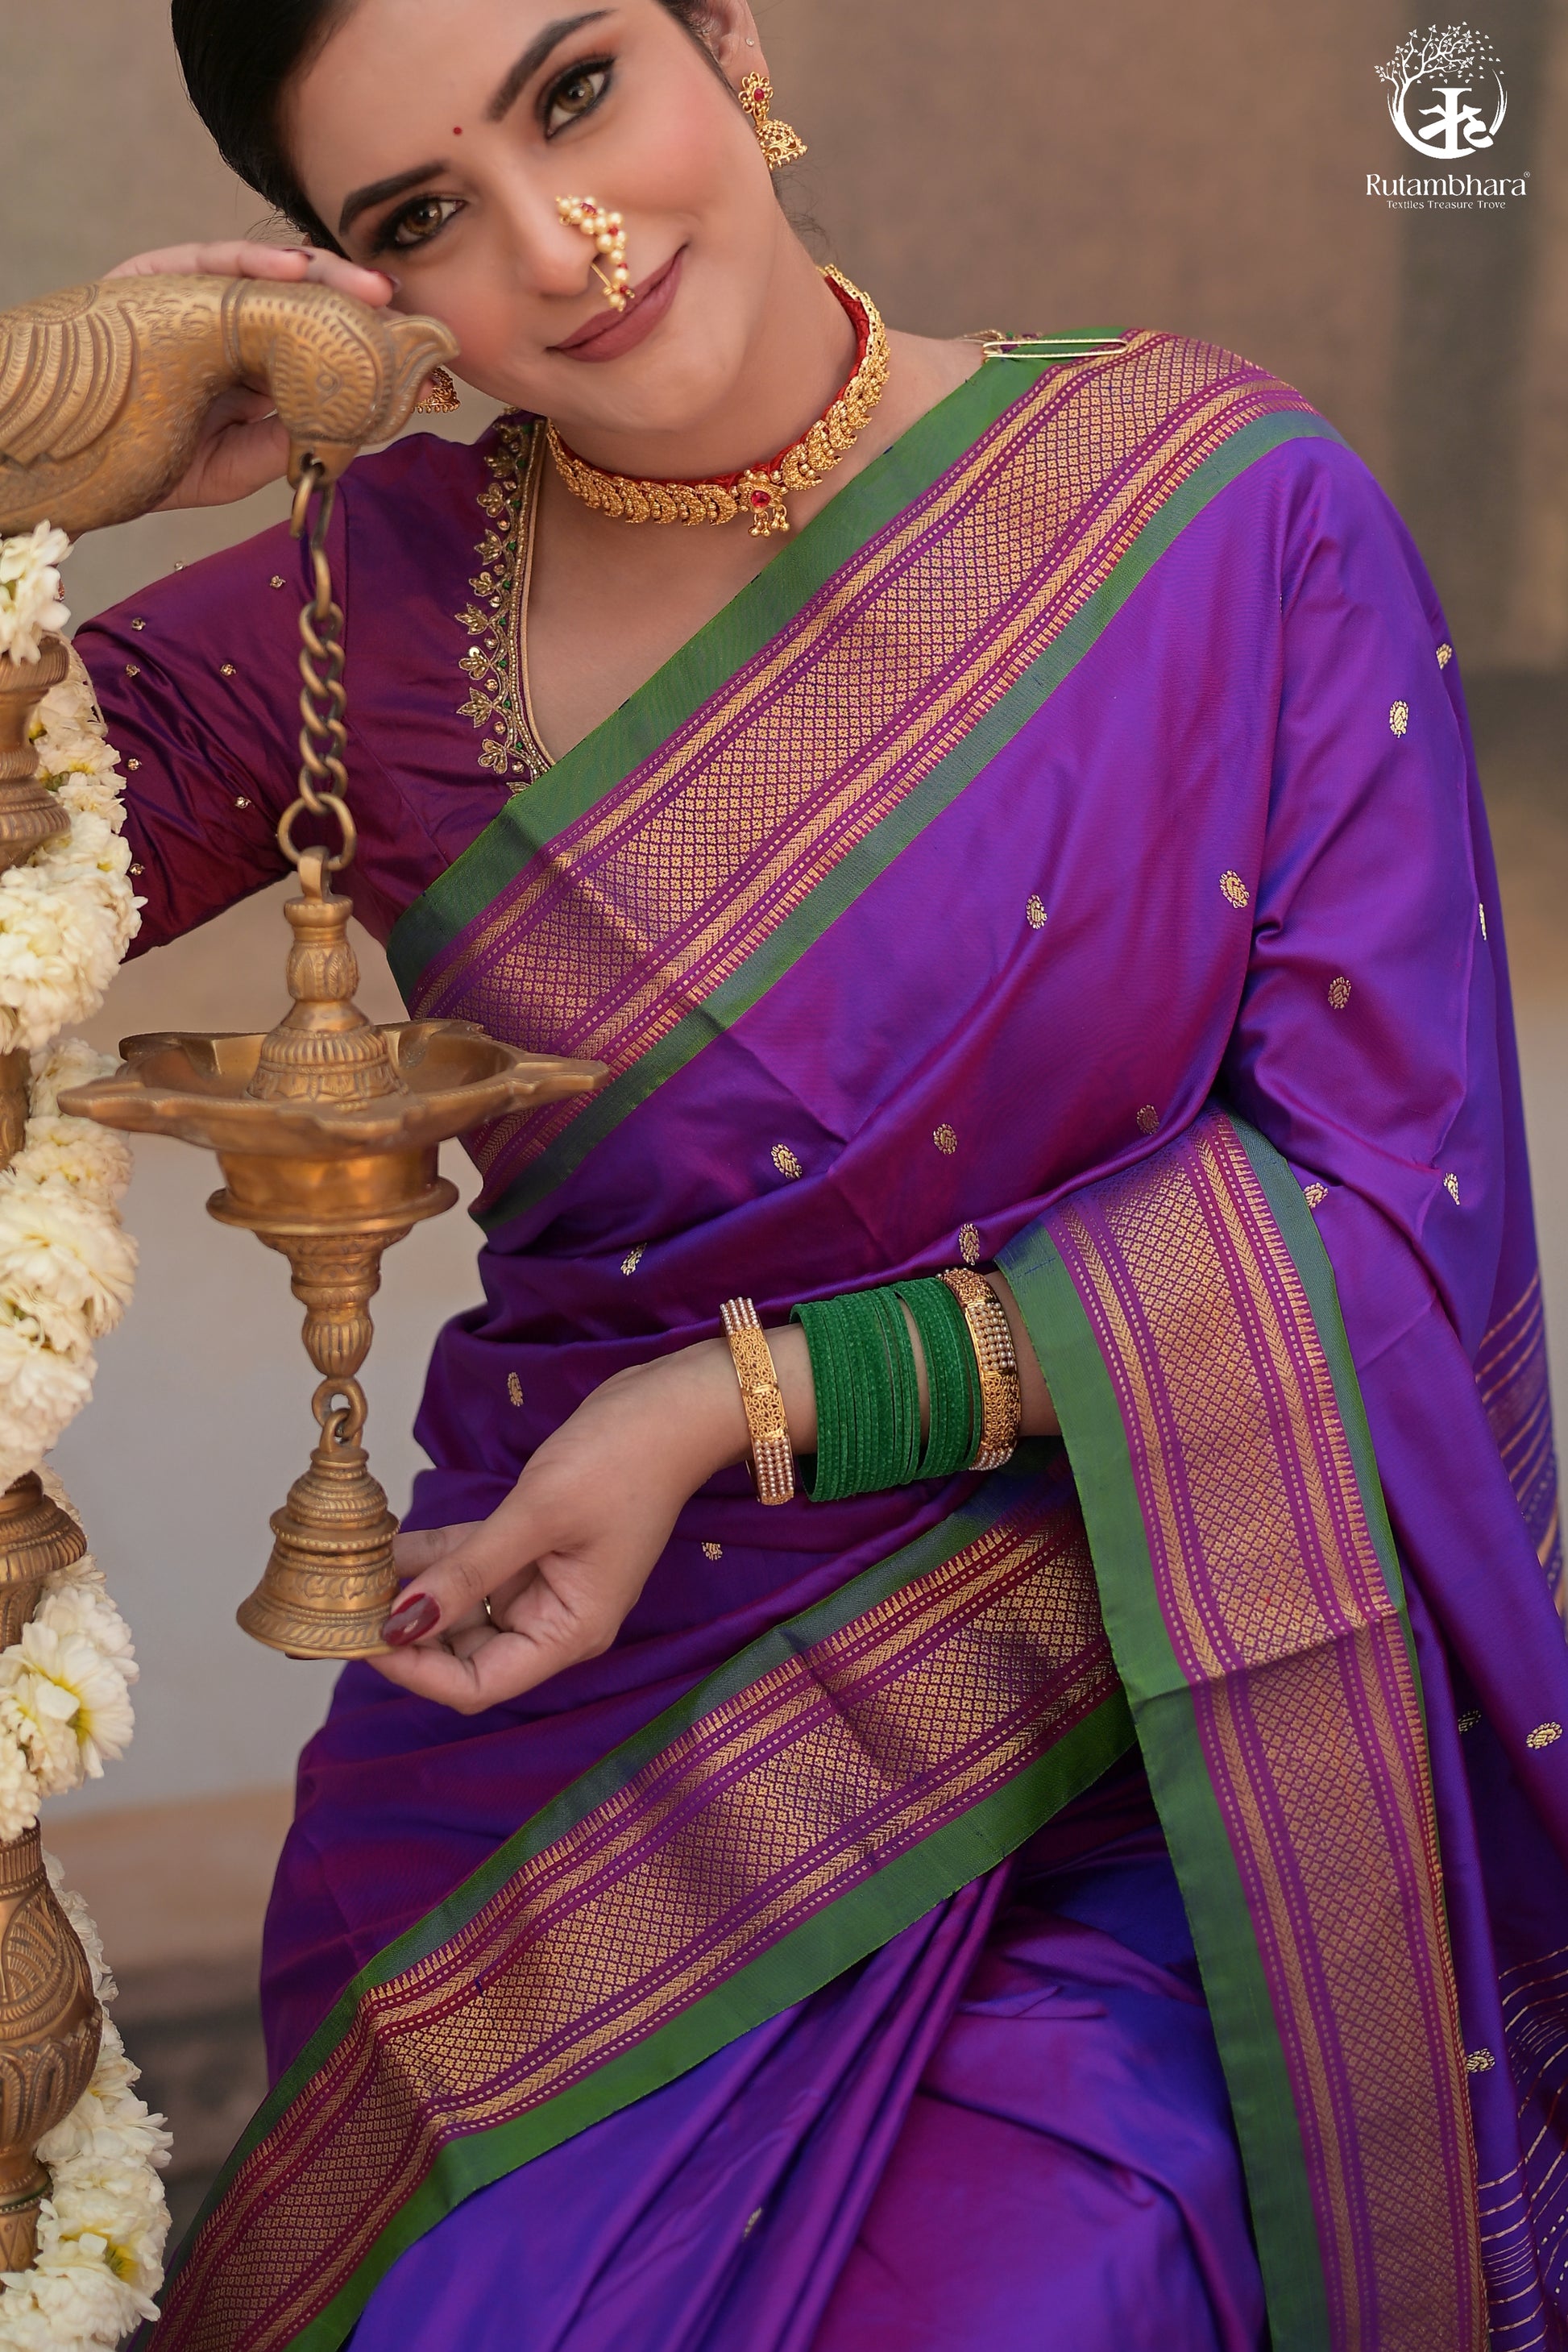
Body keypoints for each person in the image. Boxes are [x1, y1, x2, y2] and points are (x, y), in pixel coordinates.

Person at [55, 0, 1566, 2343]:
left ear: (727, 39)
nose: (565, 247)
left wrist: (731, 1408)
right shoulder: (351, 614)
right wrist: (66, 448)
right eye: (420, 217)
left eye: (577, 92)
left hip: (1156, 1726)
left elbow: (1362, 1215)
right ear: (344, 286)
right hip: (585, 1767)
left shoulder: (1218, 511)